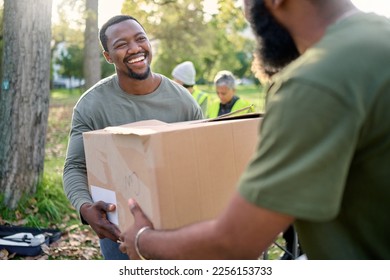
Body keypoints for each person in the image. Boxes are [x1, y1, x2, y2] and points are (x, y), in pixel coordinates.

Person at [118, 0, 390, 260]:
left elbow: (234, 243)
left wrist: (142, 239)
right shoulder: (378, 36)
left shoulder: (315, 82)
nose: (246, 14)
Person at [62, 15, 203, 260]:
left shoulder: (183, 102)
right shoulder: (92, 105)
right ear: (108, 57)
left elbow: (202, 160)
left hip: (178, 226)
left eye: (140, 39)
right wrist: (86, 208)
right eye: (121, 44)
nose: (135, 48)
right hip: (120, 230)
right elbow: (75, 166)